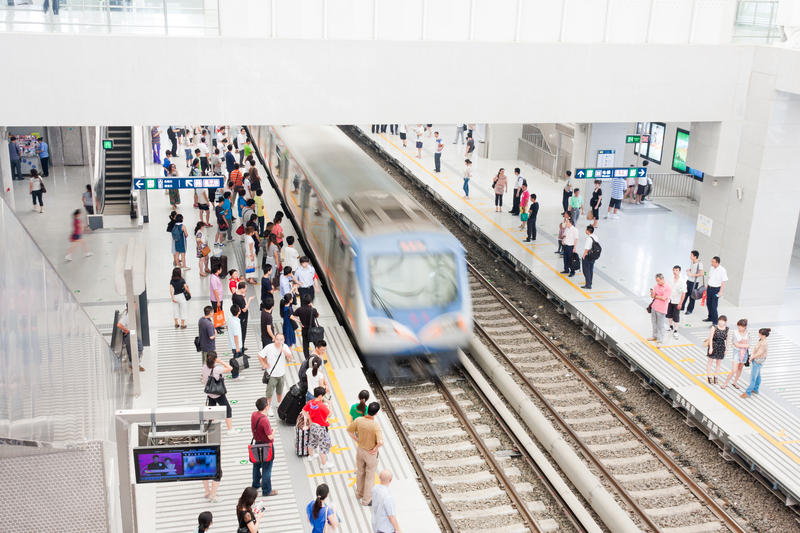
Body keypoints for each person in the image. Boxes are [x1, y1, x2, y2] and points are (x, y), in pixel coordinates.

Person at [347, 401, 383, 506]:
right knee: (370, 476)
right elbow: (381, 442)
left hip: (360, 450)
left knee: (360, 472)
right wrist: (375, 448)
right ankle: (366, 500)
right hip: (370, 453)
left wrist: (357, 440)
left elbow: (349, 430)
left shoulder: (358, 420)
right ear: (376, 413)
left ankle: (359, 493)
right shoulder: (375, 426)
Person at [258, 333, 294, 410]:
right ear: (274, 339)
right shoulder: (269, 347)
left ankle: (279, 404)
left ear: (283, 340)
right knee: (269, 393)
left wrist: (285, 351)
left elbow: (290, 358)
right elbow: (260, 355)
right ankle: (268, 407)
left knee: (280, 391)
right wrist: (264, 364)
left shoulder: (285, 347)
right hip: (272, 375)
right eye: (277, 339)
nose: (279, 341)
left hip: (281, 374)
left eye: (281, 339)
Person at [251, 397, 277, 497]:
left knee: (256, 466)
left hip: (257, 444)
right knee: (267, 469)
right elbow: (270, 436)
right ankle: (267, 491)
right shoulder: (265, 420)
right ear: (266, 407)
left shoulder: (254, 414)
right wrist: (273, 430)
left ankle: (256, 484)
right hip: (267, 446)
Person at [201, 351, 233, 432]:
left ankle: (213, 426)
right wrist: (221, 361)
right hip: (218, 394)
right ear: (215, 359)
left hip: (209, 392)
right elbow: (230, 368)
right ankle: (230, 429)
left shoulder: (204, 367)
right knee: (228, 409)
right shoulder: (217, 369)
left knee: (212, 410)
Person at [302, 387, 332, 468]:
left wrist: (309, 418)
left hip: (313, 426)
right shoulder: (322, 406)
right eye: (323, 396)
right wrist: (330, 404)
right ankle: (323, 464)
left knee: (312, 441)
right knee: (323, 446)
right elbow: (329, 414)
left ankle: (311, 456)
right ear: (320, 396)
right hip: (321, 427)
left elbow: (304, 411)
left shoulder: (310, 403)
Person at [742, 328, 770, 398]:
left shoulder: (764, 343)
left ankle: (748, 392)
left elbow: (759, 352)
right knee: (758, 376)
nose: (759, 334)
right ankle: (756, 389)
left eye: (760, 333)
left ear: (763, 335)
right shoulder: (762, 340)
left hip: (757, 360)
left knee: (753, 377)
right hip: (759, 360)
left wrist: (752, 357)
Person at [722, 319, 750, 390]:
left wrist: (741, 345)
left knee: (740, 368)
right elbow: (735, 344)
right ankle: (725, 383)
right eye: (738, 326)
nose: (739, 327)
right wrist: (744, 345)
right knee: (734, 370)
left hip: (744, 353)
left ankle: (735, 382)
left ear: (745, 327)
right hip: (737, 353)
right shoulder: (735, 332)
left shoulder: (748, 333)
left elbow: (748, 345)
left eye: (741, 326)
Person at [117, 304, 144, 371]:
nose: (135, 306)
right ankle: (133, 364)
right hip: (128, 335)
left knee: (138, 348)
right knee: (138, 348)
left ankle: (134, 364)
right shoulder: (127, 315)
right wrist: (127, 330)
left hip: (131, 334)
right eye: (134, 305)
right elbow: (119, 324)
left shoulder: (130, 314)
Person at [293, 293, 320, 360]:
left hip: (304, 329)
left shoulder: (299, 309)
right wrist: (312, 307)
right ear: (310, 302)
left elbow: (292, 316)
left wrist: (299, 321)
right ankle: (319, 358)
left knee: (305, 345)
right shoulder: (313, 310)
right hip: (313, 330)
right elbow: (317, 316)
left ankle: (307, 359)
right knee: (316, 344)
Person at [705, 315, 730, 385]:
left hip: (721, 346)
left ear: (725, 322)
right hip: (714, 345)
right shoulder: (714, 327)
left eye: (723, 321)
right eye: (720, 320)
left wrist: (726, 349)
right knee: (710, 362)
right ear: (718, 321)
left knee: (718, 363)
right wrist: (711, 347)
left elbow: (727, 340)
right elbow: (710, 338)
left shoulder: (727, 329)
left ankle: (716, 376)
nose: (721, 322)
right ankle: (709, 376)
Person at [648, 274, 671, 345]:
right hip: (654, 307)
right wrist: (652, 293)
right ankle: (654, 336)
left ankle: (660, 340)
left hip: (662, 309)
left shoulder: (668, 287)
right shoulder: (656, 286)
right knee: (654, 323)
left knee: (660, 325)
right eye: (656, 281)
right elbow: (653, 296)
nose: (657, 282)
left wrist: (655, 296)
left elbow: (664, 298)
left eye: (658, 281)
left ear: (662, 279)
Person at [704, 256, 728, 324]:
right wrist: (707, 287)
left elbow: (723, 281)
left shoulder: (722, 270)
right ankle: (710, 317)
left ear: (717, 263)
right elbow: (709, 278)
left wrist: (720, 291)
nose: (711, 263)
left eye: (713, 262)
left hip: (716, 289)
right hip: (709, 288)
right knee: (708, 303)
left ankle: (715, 322)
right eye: (711, 261)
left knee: (714, 306)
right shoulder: (711, 268)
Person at [232, 282, 254, 350]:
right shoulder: (240, 298)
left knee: (239, 332)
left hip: (237, 316)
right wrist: (249, 300)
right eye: (245, 289)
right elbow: (244, 309)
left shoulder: (234, 294)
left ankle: (241, 346)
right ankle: (241, 348)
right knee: (242, 332)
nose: (245, 290)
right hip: (242, 317)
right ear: (241, 289)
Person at [667, 266, 686, 339]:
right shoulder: (670, 279)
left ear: (679, 271)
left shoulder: (682, 281)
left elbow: (684, 293)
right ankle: (670, 326)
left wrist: (680, 303)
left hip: (677, 301)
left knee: (676, 316)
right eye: (674, 270)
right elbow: (667, 289)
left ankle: (676, 330)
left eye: (677, 270)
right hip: (670, 300)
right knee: (669, 315)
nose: (675, 271)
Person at [684, 250, 704, 315]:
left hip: (694, 283)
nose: (690, 256)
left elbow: (701, 273)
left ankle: (690, 310)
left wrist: (692, 275)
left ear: (695, 257)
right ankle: (682, 307)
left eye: (691, 255)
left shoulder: (699, 264)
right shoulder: (692, 262)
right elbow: (693, 270)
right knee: (685, 294)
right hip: (689, 281)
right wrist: (689, 270)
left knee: (692, 296)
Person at [580, 225, 598, 290]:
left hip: (588, 256)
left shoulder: (589, 238)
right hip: (593, 256)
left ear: (588, 231)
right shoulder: (595, 236)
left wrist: (583, 256)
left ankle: (588, 285)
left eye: (586, 230)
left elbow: (587, 249)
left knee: (586, 270)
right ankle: (590, 283)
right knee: (590, 269)